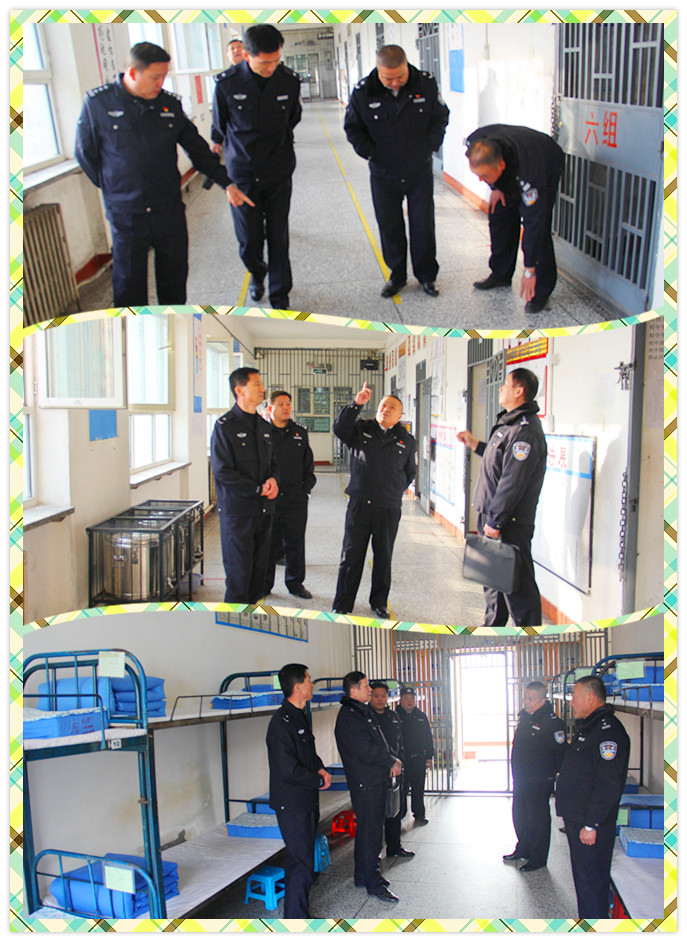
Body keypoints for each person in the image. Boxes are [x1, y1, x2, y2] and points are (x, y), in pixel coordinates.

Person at [75, 42, 253, 307]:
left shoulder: (169, 104)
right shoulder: (98, 104)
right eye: (155, 77)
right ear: (133, 73)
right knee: (128, 286)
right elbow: (85, 154)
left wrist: (226, 183)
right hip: (127, 214)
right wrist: (115, 188)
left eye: (164, 77)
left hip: (167, 209)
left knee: (174, 280)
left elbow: (197, 149)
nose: (160, 83)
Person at [344, 44, 449, 299]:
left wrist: (429, 146)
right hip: (383, 172)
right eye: (388, 78)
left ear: (406, 65)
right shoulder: (363, 91)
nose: (394, 83)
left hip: (418, 170)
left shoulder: (425, 84)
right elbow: (353, 128)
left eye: (399, 77)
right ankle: (397, 275)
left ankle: (427, 276)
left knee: (423, 224)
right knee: (389, 225)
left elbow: (440, 117)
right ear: (378, 70)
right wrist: (371, 153)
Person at [212, 24, 301, 310]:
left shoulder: (288, 81)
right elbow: (220, 126)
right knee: (249, 241)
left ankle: (279, 294)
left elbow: (292, 118)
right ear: (246, 56)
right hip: (243, 175)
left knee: (278, 236)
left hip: (278, 170)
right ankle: (257, 271)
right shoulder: (226, 84)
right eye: (265, 63)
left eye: (276, 60)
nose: (271, 67)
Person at [457, 367, 547, 627]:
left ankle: (529, 635)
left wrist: (495, 521)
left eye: (505, 385)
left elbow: (513, 481)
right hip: (494, 515)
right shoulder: (509, 424)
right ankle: (492, 628)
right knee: (493, 581)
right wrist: (475, 444)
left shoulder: (525, 431)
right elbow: (500, 459)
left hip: (509, 522)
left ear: (519, 391)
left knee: (517, 586)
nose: (500, 388)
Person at [332, 383, 416, 618]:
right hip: (359, 504)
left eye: (392, 407)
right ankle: (343, 603)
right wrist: (356, 404)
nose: (386, 409)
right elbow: (339, 428)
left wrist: (392, 490)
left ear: (400, 415)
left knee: (383, 556)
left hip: (388, 508)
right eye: (383, 405)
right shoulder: (361, 429)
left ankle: (379, 602)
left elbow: (410, 472)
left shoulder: (406, 440)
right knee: (351, 555)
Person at [465, 124, 565, 315]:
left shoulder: (529, 175)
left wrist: (529, 269)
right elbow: (488, 169)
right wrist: (495, 187)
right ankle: (501, 274)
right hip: (512, 160)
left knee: (540, 229)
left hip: (547, 160)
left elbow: (534, 222)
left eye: (484, 176)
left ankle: (541, 291)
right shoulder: (475, 143)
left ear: (501, 166)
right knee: (499, 213)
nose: (480, 180)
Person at [555, 676, 630, 918]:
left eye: (574, 696)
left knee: (592, 884)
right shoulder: (590, 727)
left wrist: (591, 824)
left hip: (589, 823)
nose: (571, 702)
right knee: (584, 882)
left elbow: (609, 783)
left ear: (590, 698)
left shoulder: (608, 732)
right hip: (578, 817)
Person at [266, 663, 331, 918]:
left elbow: (308, 754)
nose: (312, 684)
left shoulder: (299, 715)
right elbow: (288, 770)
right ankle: (296, 920)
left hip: (305, 799)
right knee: (300, 861)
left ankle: (298, 914)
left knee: (303, 859)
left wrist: (321, 769)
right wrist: (317, 781)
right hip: (292, 803)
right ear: (297, 687)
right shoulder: (280, 723)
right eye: (309, 680)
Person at [210, 367, 279, 603]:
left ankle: (252, 619)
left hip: (263, 511)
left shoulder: (263, 425)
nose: (262, 389)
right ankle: (233, 623)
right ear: (239, 390)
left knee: (258, 576)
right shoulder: (225, 426)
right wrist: (258, 489)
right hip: (238, 512)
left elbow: (273, 462)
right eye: (256, 384)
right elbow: (223, 472)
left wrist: (273, 480)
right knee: (239, 575)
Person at [334, 672, 402, 902]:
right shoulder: (350, 717)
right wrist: (391, 761)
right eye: (365, 686)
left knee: (366, 831)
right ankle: (374, 883)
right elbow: (367, 750)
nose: (370, 690)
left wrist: (391, 758)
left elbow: (379, 743)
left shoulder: (361, 711)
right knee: (371, 833)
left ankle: (362, 875)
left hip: (373, 779)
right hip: (367, 783)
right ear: (353, 690)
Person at [503, 681, 567, 872]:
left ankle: (538, 858)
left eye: (531, 699)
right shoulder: (525, 717)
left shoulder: (552, 722)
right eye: (525, 698)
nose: (526, 702)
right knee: (520, 816)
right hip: (522, 778)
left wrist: (549, 776)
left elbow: (560, 754)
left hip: (539, 780)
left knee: (537, 820)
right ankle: (523, 849)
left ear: (543, 700)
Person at [263, 390, 316, 600]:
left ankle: (295, 584)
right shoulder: (262, 432)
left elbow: (308, 464)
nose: (286, 408)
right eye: (281, 404)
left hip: (295, 498)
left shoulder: (299, 432)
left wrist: (305, 489)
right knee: (268, 543)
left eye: (288, 404)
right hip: (269, 498)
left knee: (295, 542)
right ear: (270, 408)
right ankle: (264, 584)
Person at [369, 682, 415, 859]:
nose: (380, 699)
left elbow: (399, 742)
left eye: (383, 696)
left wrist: (400, 762)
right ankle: (374, 852)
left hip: (396, 770)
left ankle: (394, 847)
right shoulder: (367, 717)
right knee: (376, 814)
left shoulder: (393, 716)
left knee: (395, 811)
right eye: (376, 696)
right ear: (370, 696)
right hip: (377, 772)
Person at [396, 687, 434, 825]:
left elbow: (428, 736)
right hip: (402, 760)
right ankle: (399, 815)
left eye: (412, 698)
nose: (409, 701)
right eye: (406, 698)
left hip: (418, 758)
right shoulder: (395, 716)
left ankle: (419, 814)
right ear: (400, 700)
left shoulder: (421, 716)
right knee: (401, 790)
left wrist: (429, 755)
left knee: (418, 788)